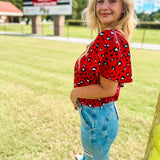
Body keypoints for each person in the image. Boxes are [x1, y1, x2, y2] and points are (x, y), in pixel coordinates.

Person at [70, 0, 137, 159]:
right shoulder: (110, 36)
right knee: (91, 155)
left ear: (123, 8)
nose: (104, 6)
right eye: (100, 1)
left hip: (97, 118)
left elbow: (107, 89)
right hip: (98, 115)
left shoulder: (110, 37)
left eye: (112, 1)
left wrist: (74, 93)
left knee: (95, 156)